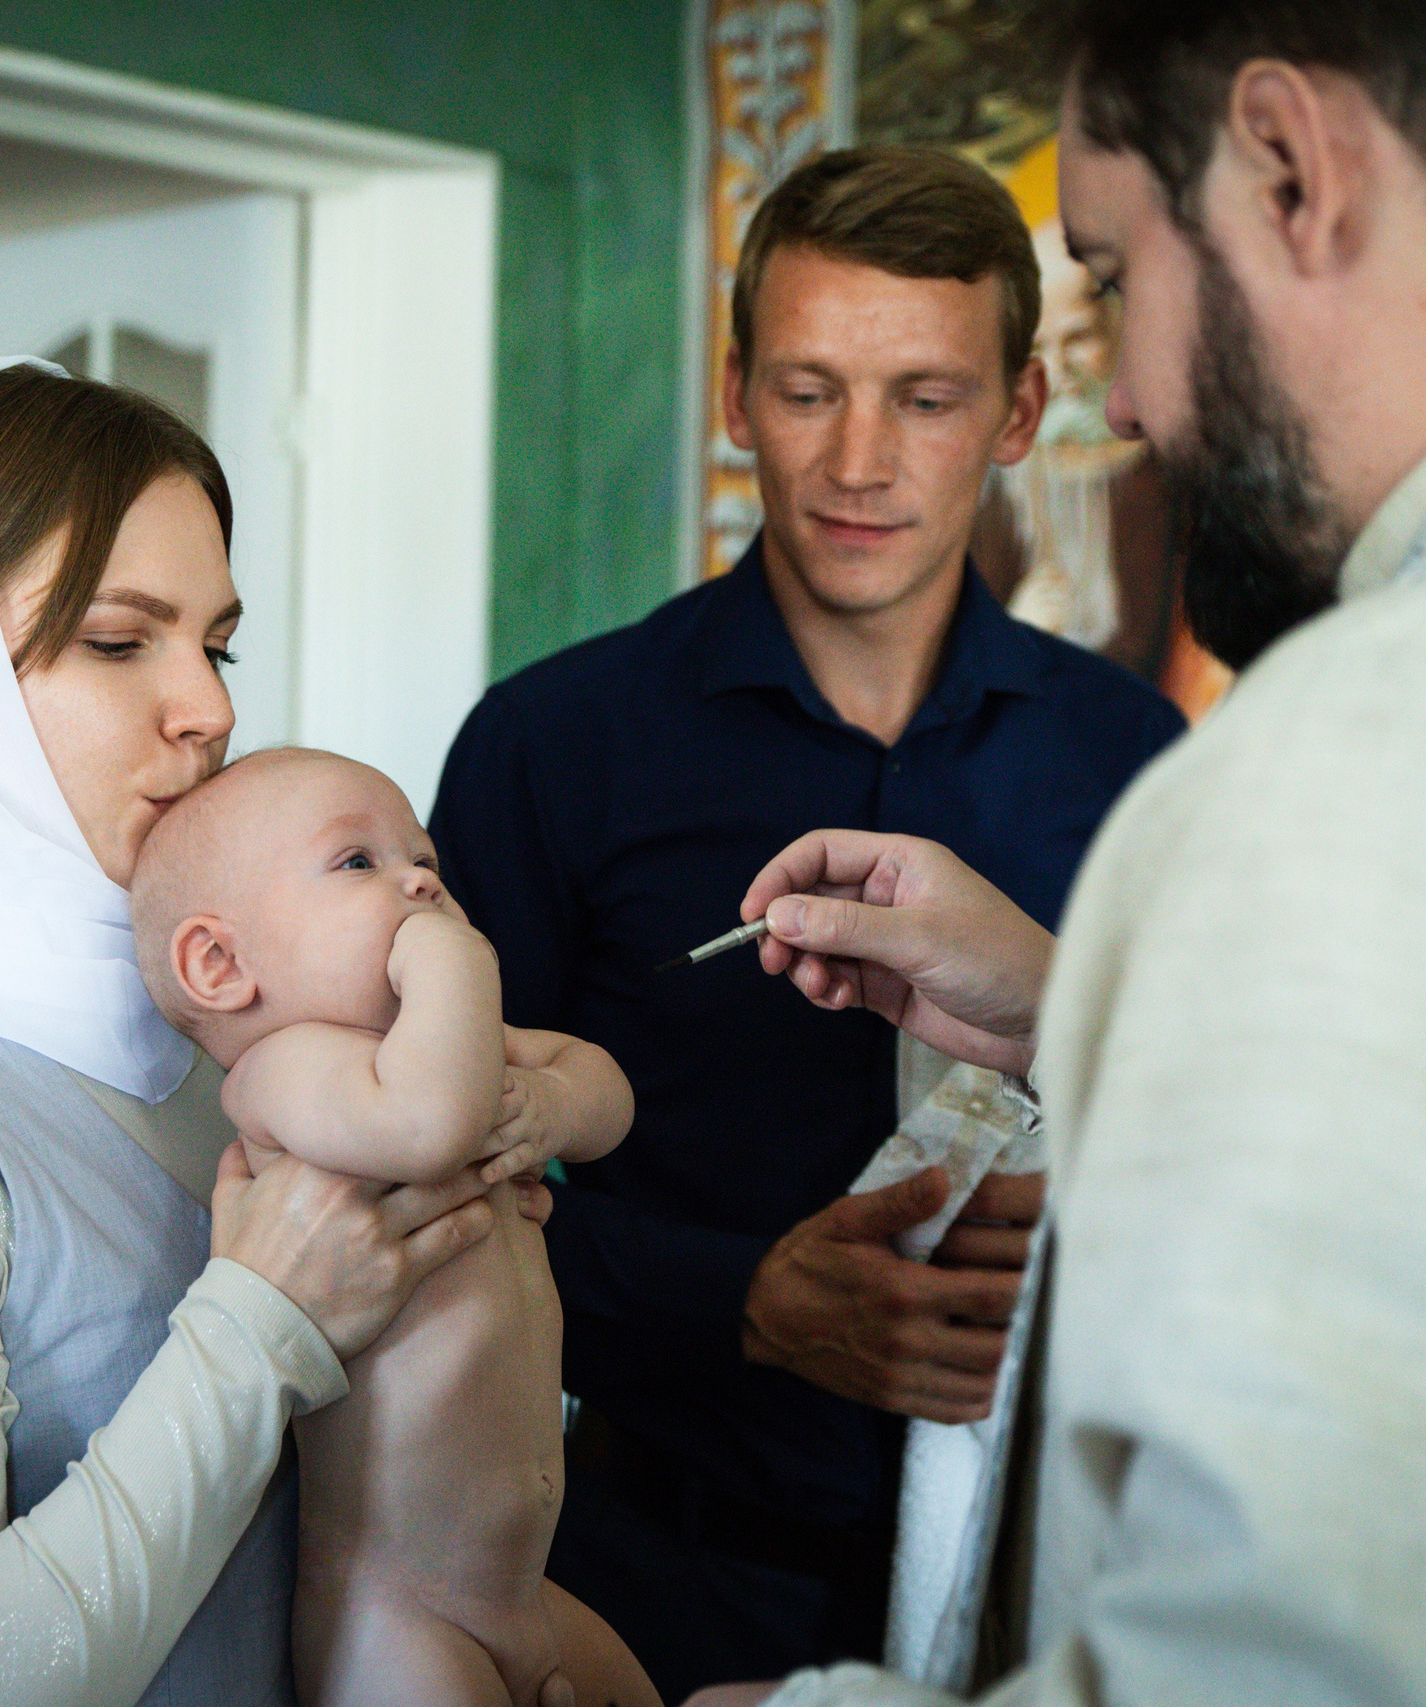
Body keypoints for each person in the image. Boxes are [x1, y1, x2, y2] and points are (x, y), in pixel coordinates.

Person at [691, 1, 1426, 1701]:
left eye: (1112, 276)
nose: (1135, 400)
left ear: (1292, 170)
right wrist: (1079, 1015)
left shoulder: (1383, 746)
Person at [428, 147, 1186, 1698]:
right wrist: (743, 1301)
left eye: (926, 397)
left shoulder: (1140, 762)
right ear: (735, 394)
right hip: (647, 1578)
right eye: (808, 389)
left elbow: (1230, 1140)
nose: (858, 461)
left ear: (1020, 413)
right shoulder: (553, 744)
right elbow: (430, 1199)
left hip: (1056, 1592)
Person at [0, 361, 527, 1707]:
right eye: (117, 641)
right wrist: (260, 1326)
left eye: (217, 644)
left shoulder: (220, 1009)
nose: (209, 706)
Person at [130, 745, 658, 1707]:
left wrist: (551, 1105)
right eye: (357, 861)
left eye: (424, 859)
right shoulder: (285, 1072)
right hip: (396, 1617)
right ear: (220, 963)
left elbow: (608, 1088)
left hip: (523, 1591)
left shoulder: (446, 1045)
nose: (420, 880)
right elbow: (427, 1126)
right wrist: (457, 958)